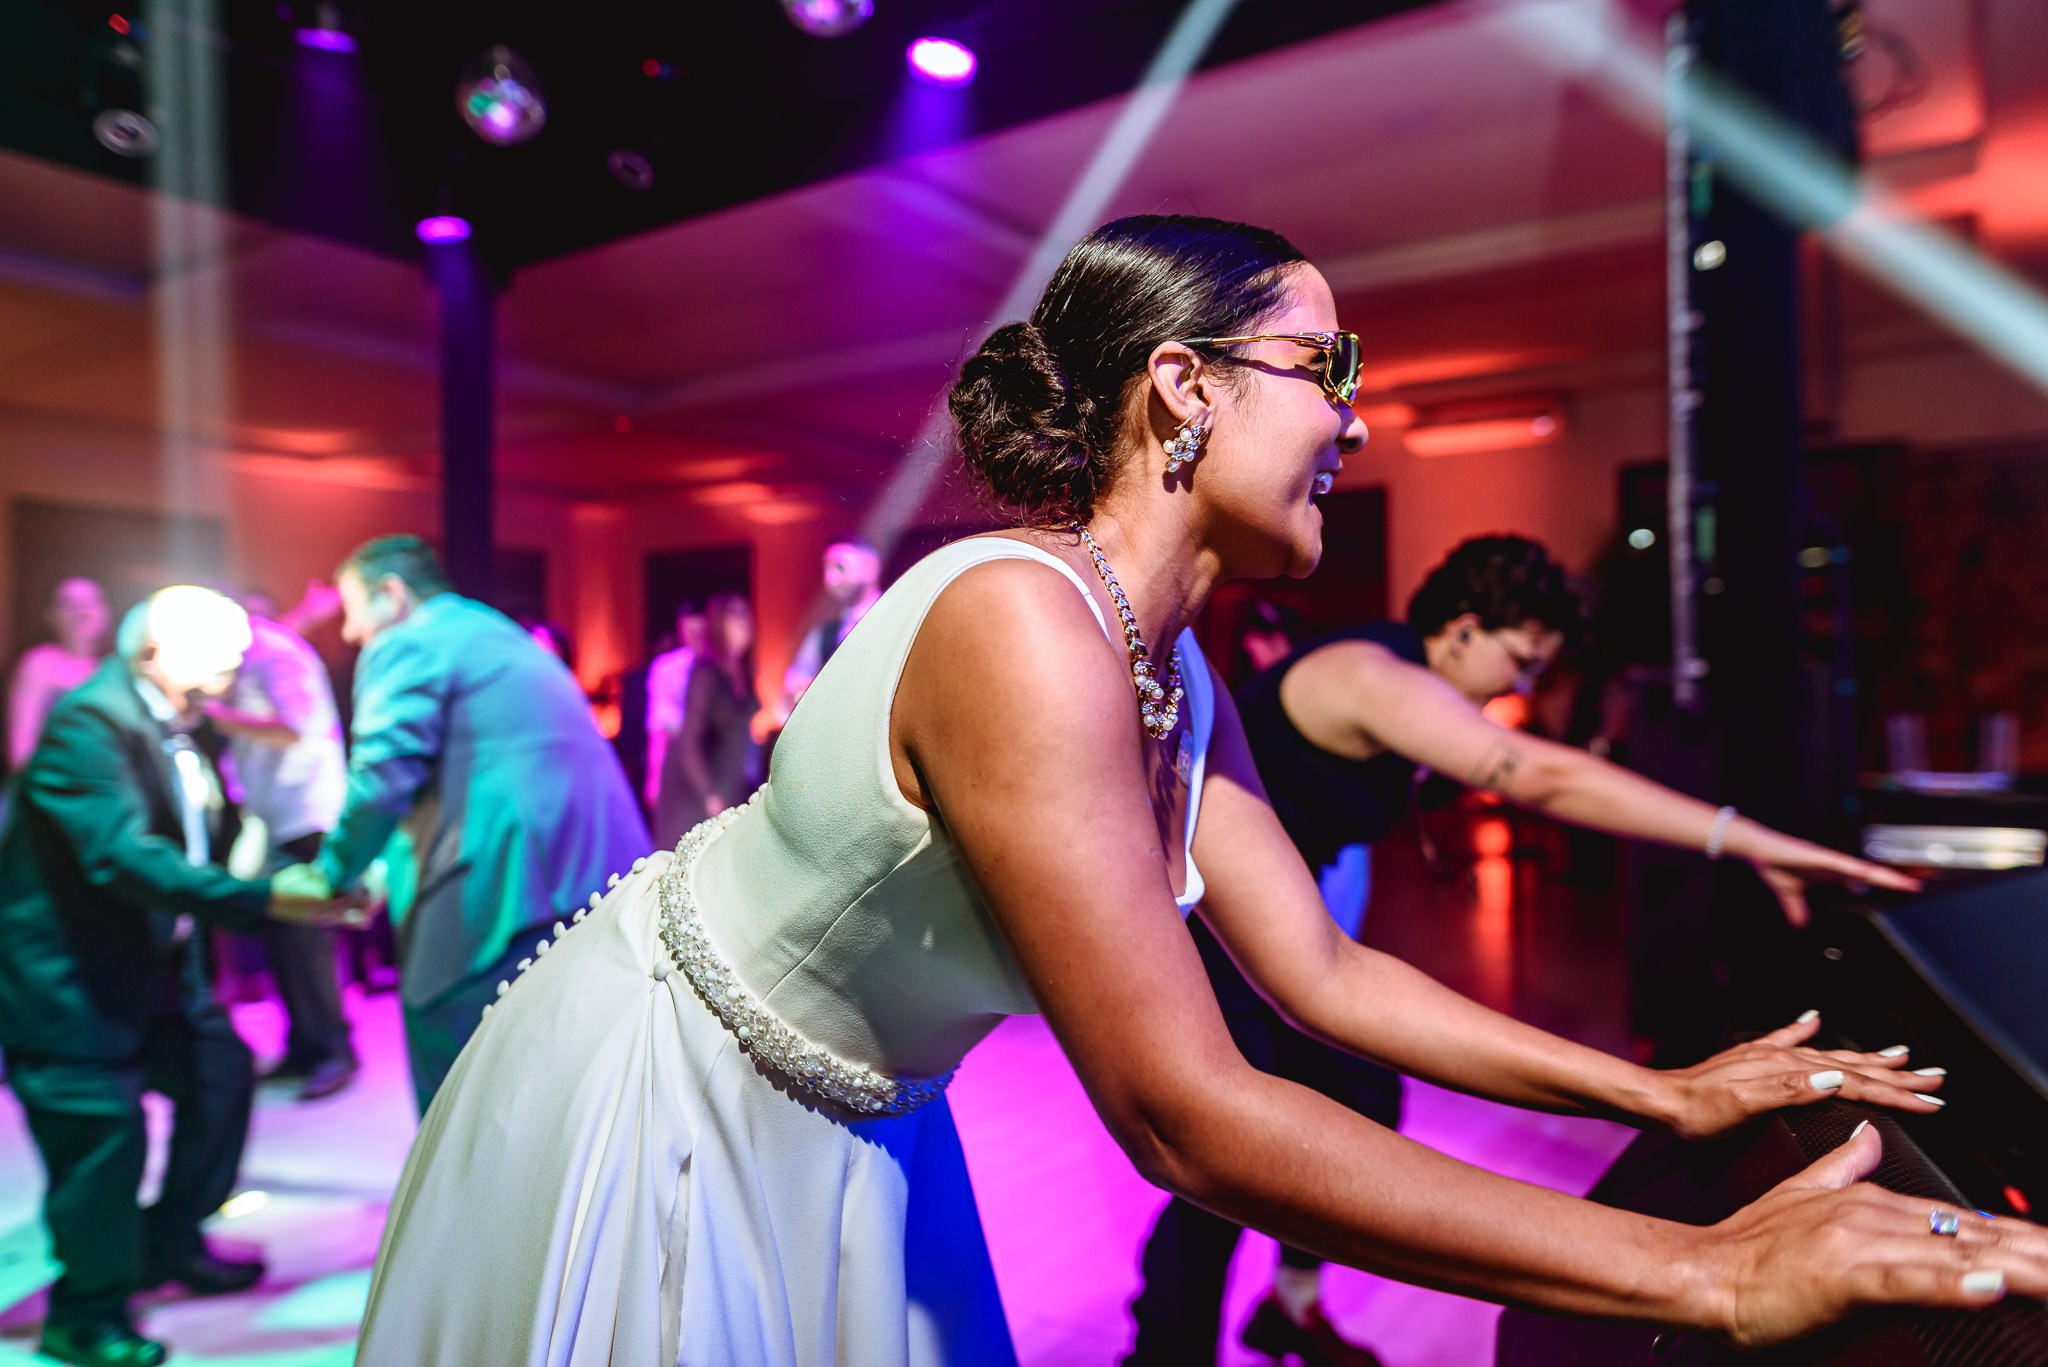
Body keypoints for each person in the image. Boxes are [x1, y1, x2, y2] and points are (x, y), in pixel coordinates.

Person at [354, 216, 2045, 1367]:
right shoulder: (1018, 619)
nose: (1353, 425)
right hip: (681, 1089)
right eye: (1328, 367)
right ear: (1184, 385)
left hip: (863, 1105)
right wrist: (1702, 1267)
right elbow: (1184, 1116)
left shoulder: (1173, 665)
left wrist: (1656, 1094)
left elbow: (1317, 973)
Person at [1123, 532, 1924, 1367]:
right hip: (1209, 933)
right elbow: (1544, 776)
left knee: (1360, 1094)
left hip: (1274, 926)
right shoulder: (1373, 675)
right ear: (1465, 628)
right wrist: (1740, 835)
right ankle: (1161, 1351)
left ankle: (1290, 1304)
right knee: (1227, 1162)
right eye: (1523, 659)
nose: (1524, 685)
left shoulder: (1406, 683)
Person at [0, 586, 363, 1367]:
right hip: (68, 979)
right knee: (104, 1140)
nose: (237, 669)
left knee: (220, 1073)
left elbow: (207, 831)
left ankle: (168, 1244)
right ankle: (85, 1313)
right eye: (222, 655)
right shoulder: (88, 725)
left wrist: (287, 881)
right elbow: (120, 855)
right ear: (158, 651)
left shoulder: (183, 722)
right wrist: (267, 897)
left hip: (153, 966)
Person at [283, 535, 650, 1111]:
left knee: (460, 1098)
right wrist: (381, 875)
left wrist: (333, 874)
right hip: (601, 882)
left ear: (392, 594)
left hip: (506, 892)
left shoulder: (408, 641)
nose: (352, 634)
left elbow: (382, 777)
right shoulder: (493, 631)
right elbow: (473, 774)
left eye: (353, 613)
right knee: (572, 1097)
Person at [204, 600, 357, 1101]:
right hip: (278, 817)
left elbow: (294, 727)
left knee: (306, 941)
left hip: (304, 815)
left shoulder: (275, 653)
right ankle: (306, 1047)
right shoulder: (262, 653)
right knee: (282, 939)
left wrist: (216, 715)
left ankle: (334, 1050)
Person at [652, 594, 761, 847]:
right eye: (735, 616)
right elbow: (688, 740)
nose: (745, 622)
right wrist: (708, 794)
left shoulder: (744, 671)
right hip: (698, 783)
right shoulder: (706, 674)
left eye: (746, 615)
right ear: (719, 624)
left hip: (729, 776)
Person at [8, 576, 111, 773]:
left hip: (102, 789)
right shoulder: (39, 662)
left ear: (106, 612)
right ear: (52, 615)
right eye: (70, 604)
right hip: (51, 786)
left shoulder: (115, 668)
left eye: (92, 602)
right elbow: (21, 747)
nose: (82, 611)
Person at [779, 532, 883, 715]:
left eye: (839, 567)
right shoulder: (823, 635)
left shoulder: (893, 617)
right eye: (826, 568)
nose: (829, 579)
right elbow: (792, 690)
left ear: (870, 568)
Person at [644, 602, 708, 816]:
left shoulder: (725, 668)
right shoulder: (667, 668)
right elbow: (659, 725)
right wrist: (654, 779)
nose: (696, 637)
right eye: (689, 631)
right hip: (678, 764)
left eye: (701, 630)